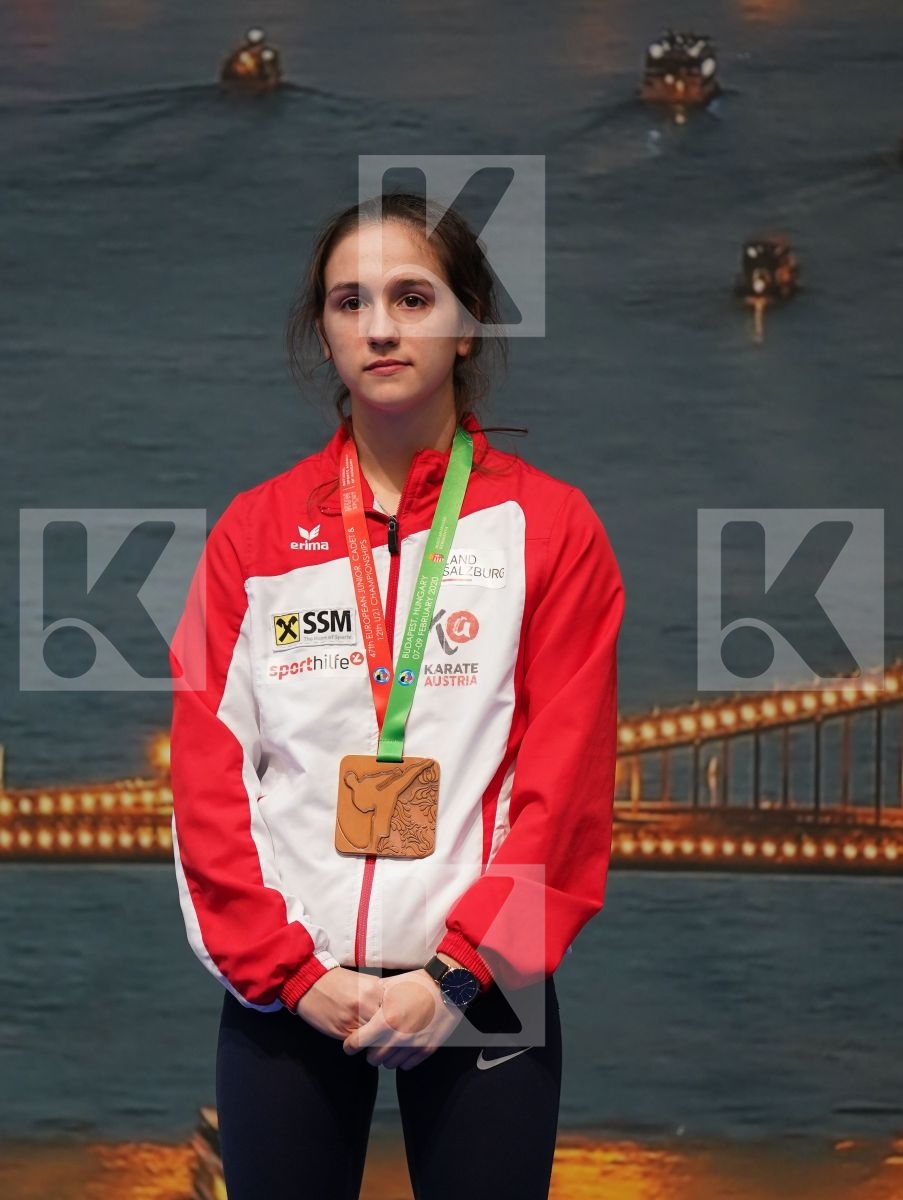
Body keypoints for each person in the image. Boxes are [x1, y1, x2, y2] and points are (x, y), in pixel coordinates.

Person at [169, 190, 625, 1200]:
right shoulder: (252, 536)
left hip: (485, 989)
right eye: (350, 302)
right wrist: (293, 975)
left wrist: (457, 976)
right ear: (324, 331)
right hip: (292, 993)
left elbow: (564, 790)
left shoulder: (552, 529)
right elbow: (209, 784)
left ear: (467, 326)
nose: (379, 326)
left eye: (412, 298)